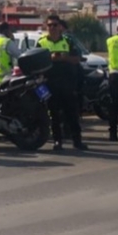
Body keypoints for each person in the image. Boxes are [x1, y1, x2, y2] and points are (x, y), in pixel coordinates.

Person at [36, 15, 88, 151]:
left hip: (67, 82)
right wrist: (51, 58)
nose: (52, 28)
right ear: (46, 27)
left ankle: (77, 141)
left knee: (72, 113)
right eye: (50, 25)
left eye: (55, 25)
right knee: (54, 114)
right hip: (50, 83)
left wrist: (64, 58)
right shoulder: (41, 42)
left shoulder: (67, 41)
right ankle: (57, 141)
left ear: (60, 26)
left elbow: (77, 58)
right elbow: (36, 62)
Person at [60, 19, 86, 115]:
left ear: (61, 27)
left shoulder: (66, 38)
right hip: (74, 68)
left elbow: (75, 53)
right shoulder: (71, 36)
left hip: (70, 69)